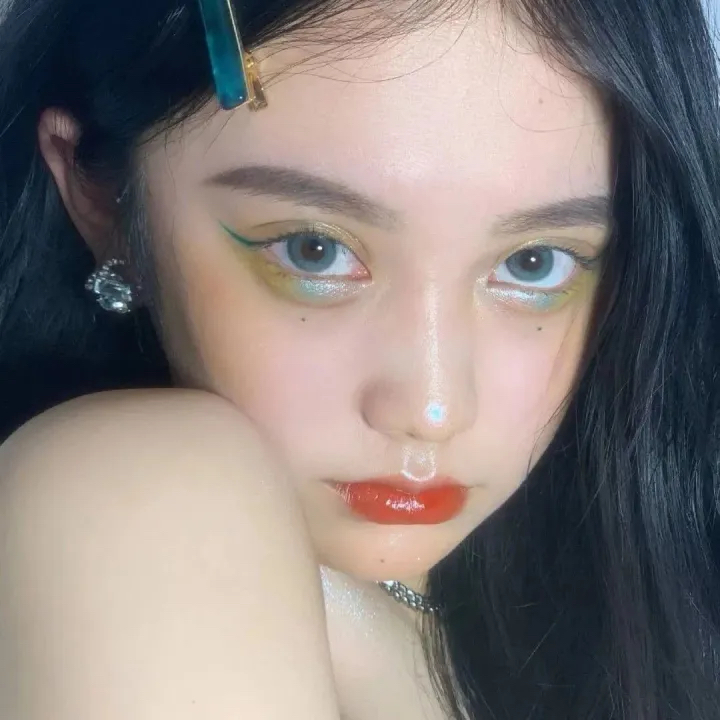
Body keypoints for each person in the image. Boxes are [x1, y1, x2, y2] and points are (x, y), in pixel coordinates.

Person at [0, 0, 718, 717]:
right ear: (102, 198)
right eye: (313, 250)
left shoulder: (631, 592)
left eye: (535, 263)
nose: (432, 409)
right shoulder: (135, 497)